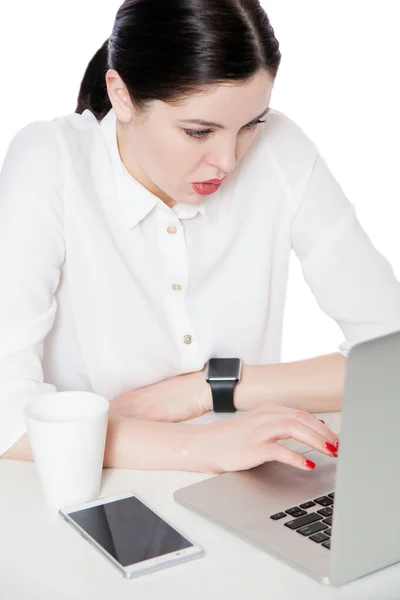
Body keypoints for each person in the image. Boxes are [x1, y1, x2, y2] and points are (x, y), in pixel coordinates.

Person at [1, 0, 400, 473]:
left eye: (250, 125)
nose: (228, 161)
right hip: (100, 491)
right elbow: (8, 414)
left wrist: (210, 388)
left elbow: (390, 354)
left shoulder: (281, 152)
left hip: (251, 476)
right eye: (198, 132)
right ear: (122, 95)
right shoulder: (51, 162)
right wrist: (201, 448)